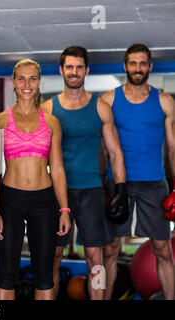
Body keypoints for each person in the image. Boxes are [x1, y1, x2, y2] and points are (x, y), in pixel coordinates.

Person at [41, 46, 127, 300]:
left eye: (79, 67)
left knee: (95, 258)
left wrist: (121, 189)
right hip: (58, 192)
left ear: (86, 70)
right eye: (69, 67)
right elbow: (38, 155)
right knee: (53, 257)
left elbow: (115, 153)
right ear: (61, 70)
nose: (74, 72)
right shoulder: (47, 109)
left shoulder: (100, 108)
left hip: (91, 191)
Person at [0, 58, 71, 300]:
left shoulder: (52, 122)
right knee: (5, 273)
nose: (27, 83)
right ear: (13, 82)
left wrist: (64, 208)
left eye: (32, 78)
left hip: (44, 202)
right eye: (21, 78)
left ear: (39, 82)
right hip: (9, 200)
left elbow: (56, 169)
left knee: (44, 274)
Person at [102, 43, 175, 300]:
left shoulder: (164, 101)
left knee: (163, 249)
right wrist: (101, 184)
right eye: (133, 63)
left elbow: (172, 148)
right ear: (125, 66)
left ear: (150, 66)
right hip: (117, 182)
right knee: (109, 250)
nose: (138, 68)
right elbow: (102, 147)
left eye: (143, 63)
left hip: (154, 184)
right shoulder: (109, 100)